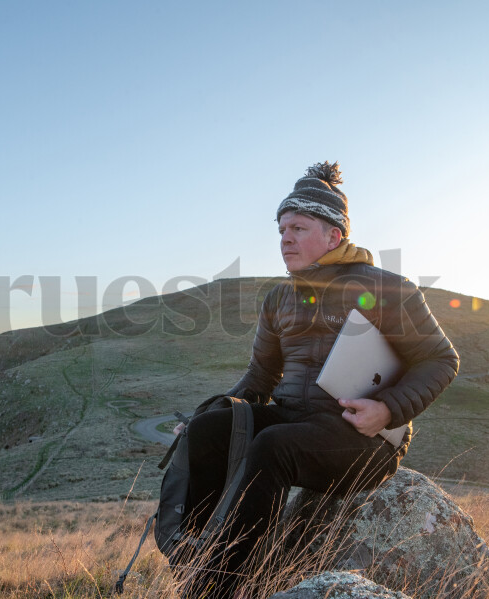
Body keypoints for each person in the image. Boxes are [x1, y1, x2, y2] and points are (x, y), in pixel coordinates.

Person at [178, 161, 459, 598]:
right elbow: (261, 375)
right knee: (207, 430)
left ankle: (229, 587)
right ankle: (196, 557)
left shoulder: (387, 288)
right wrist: (207, 413)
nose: (285, 239)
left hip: (361, 436)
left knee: (273, 446)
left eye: (298, 228)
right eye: (281, 230)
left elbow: (440, 360)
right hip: (296, 419)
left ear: (334, 236)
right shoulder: (279, 298)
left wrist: (386, 410)